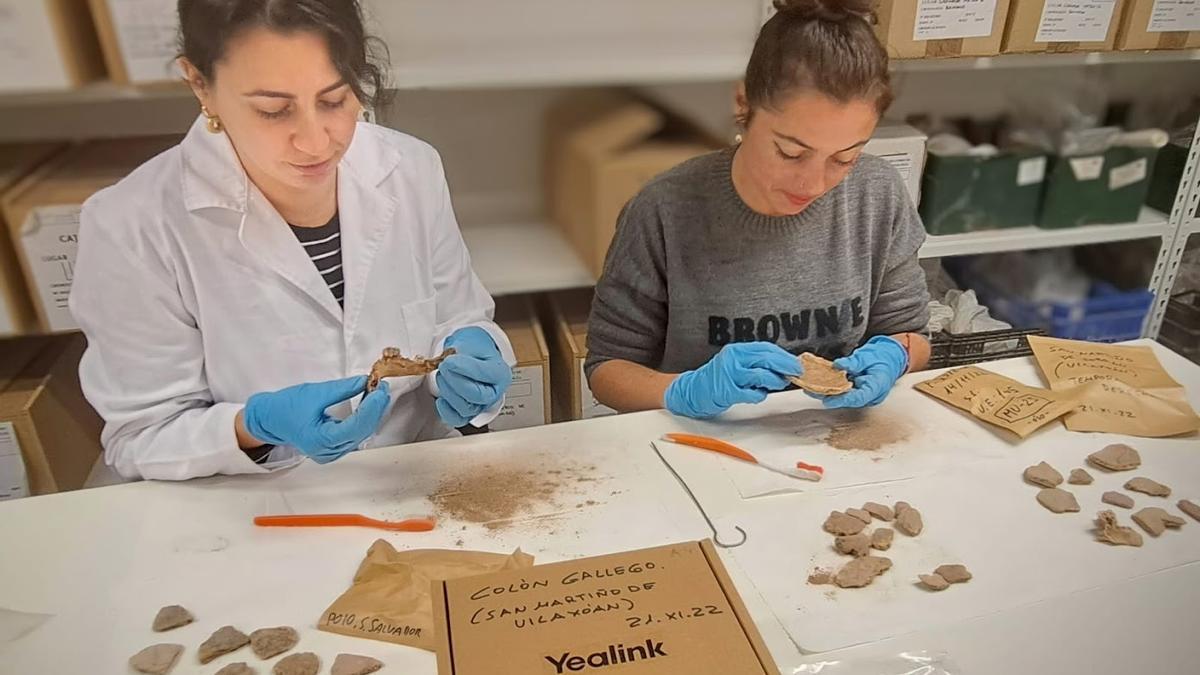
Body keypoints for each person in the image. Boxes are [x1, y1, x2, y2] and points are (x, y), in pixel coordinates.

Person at [69, 0, 514, 481]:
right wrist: (253, 426)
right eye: (273, 110)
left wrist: (473, 354)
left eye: (335, 99)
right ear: (201, 85)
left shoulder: (411, 167)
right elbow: (142, 438)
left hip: (414, 483)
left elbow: (457, 316)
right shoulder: (131, 223)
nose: (316, 141)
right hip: (260, 512)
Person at [586, 0, 932, 419]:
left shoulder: (877, 196)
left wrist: (894, 354)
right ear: (743, 104)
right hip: (704, 443)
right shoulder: (664, 209)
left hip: (838, 440)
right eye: (790, 152)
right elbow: (606, 370)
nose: (814, 184)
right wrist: (683, 390)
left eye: (845, 158)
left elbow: (912, 333)